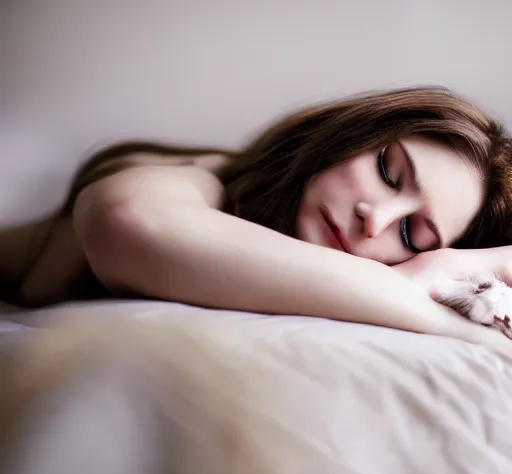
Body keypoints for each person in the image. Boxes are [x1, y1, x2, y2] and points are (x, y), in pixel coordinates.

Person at [1, 86, 512, 345]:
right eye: (386, 169)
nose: (372, 219)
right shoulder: (209, 180)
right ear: (349, 134)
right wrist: (435, 300)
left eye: (410, 233)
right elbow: (129, 220)